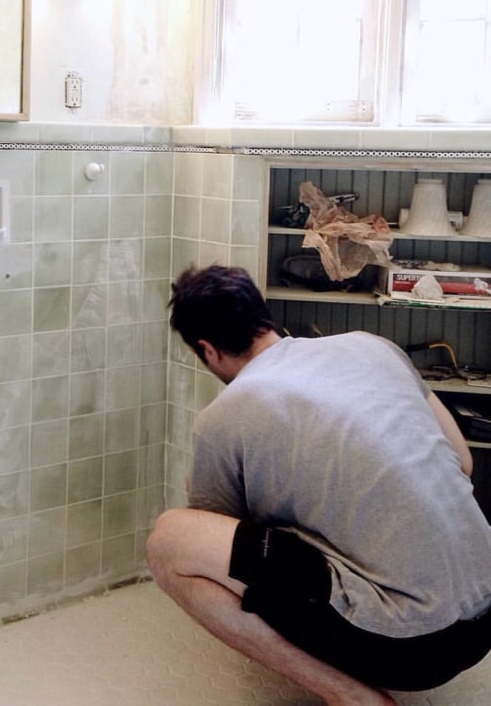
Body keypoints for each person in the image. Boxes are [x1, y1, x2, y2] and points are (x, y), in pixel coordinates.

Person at [146, 265, 491, 706]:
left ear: (208, 351)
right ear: (262, 316)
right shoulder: (372, 347)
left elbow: (218, 536)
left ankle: (349, 697)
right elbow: (461, 463)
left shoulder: (225, 416)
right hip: (484, 621)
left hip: (415, 647)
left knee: (171, 540)